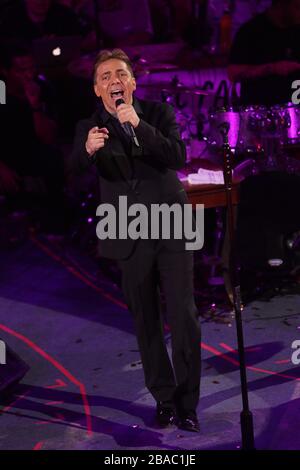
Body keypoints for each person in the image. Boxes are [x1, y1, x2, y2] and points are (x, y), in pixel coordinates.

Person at [70, 48, 201, 432]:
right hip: (126, 226)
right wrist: (86, 152)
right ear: (97, 88)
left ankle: (188, 403)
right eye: (106, 76)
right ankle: (163, 398)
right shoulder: (89, 127)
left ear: (133, 82)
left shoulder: (158, 113)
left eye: (121, 74)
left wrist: (140, 125)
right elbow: (72, 173)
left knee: (184, 315)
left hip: (171, 221)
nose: (115, 81)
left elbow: (177, 156)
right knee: (145, 318)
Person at [228, 0, 300, 106]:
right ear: (281, 4)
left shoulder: (297, 30)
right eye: (297, 7)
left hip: (294, 109)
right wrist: (272, 68)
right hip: (258, 112)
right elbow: (233, 73)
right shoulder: (251, 31)